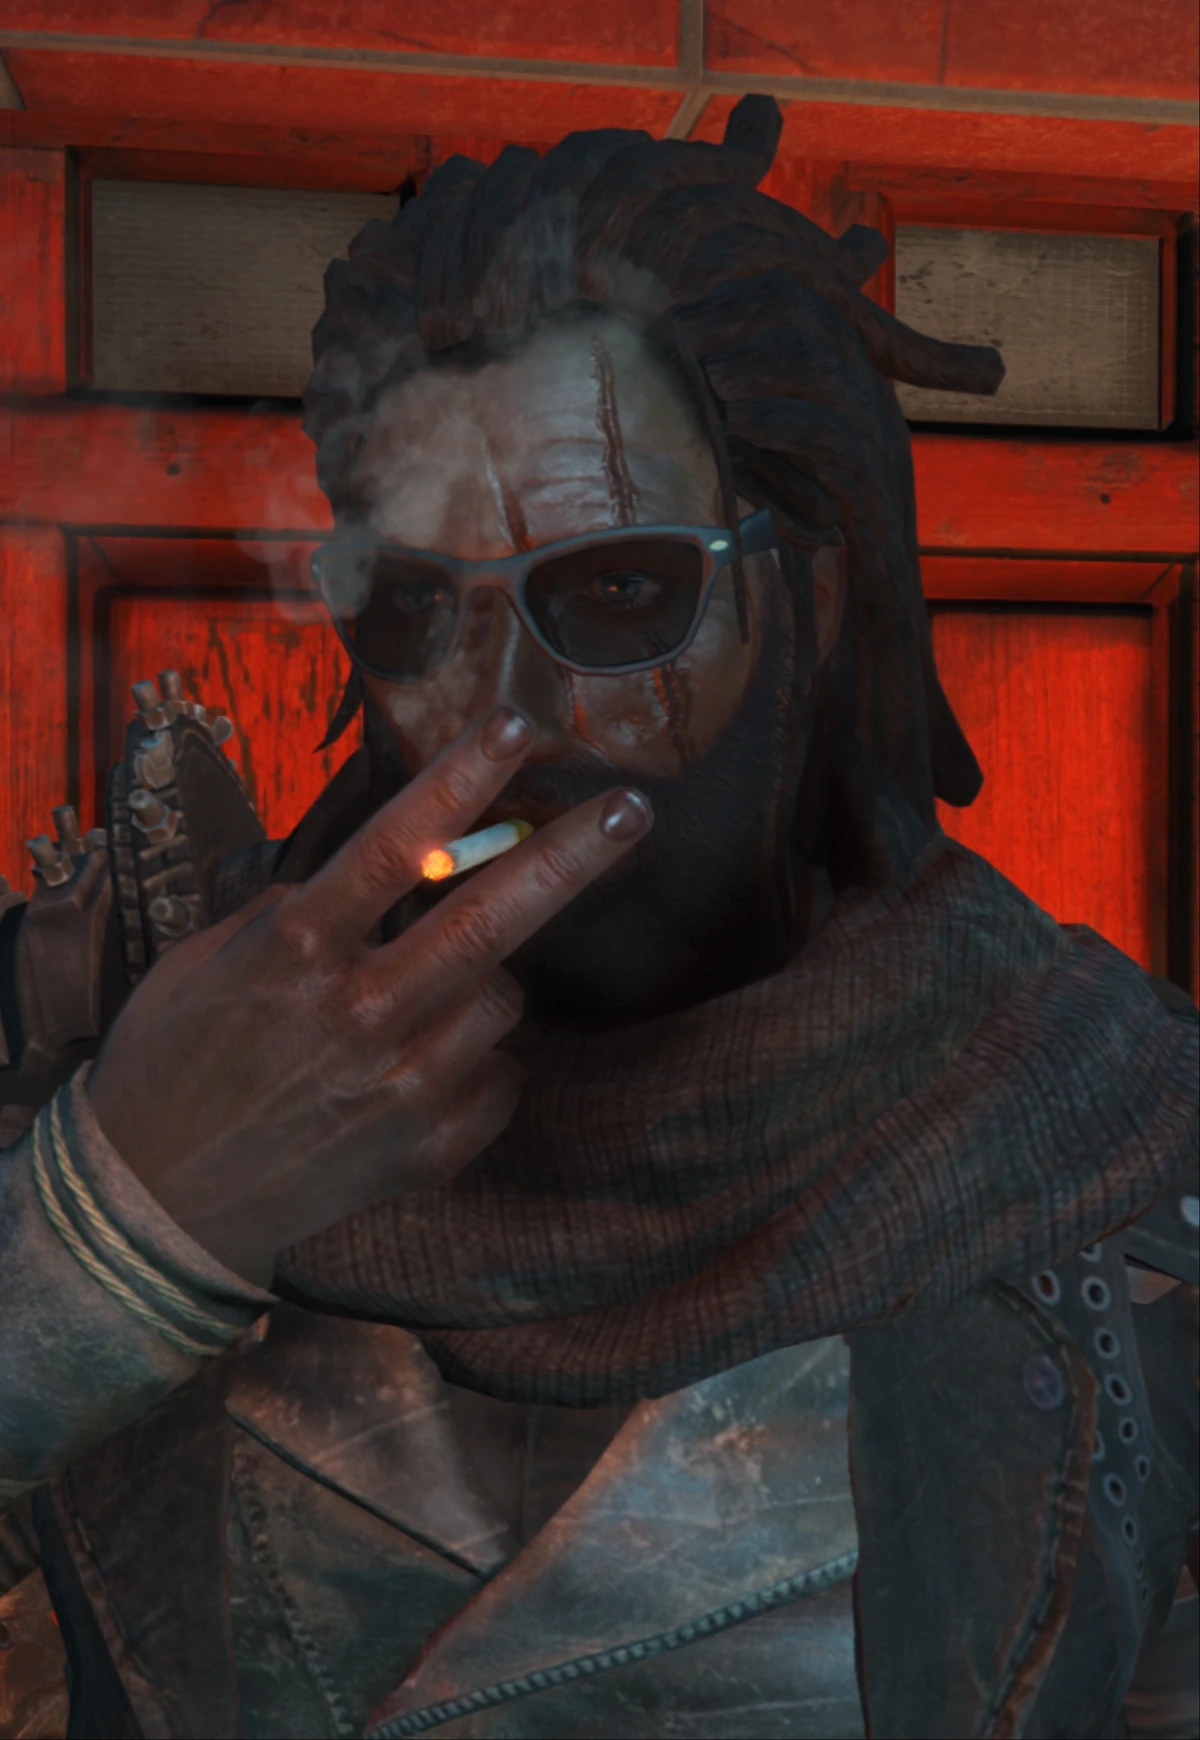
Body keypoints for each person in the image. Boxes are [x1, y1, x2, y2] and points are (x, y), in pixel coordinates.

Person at [0, 96, 1196, 1740]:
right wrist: (122, 1227)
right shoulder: (112, 1038)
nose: (505, 717)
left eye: (620, 592)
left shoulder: (1108, 1142)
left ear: (812, 593)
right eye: (418, 612)